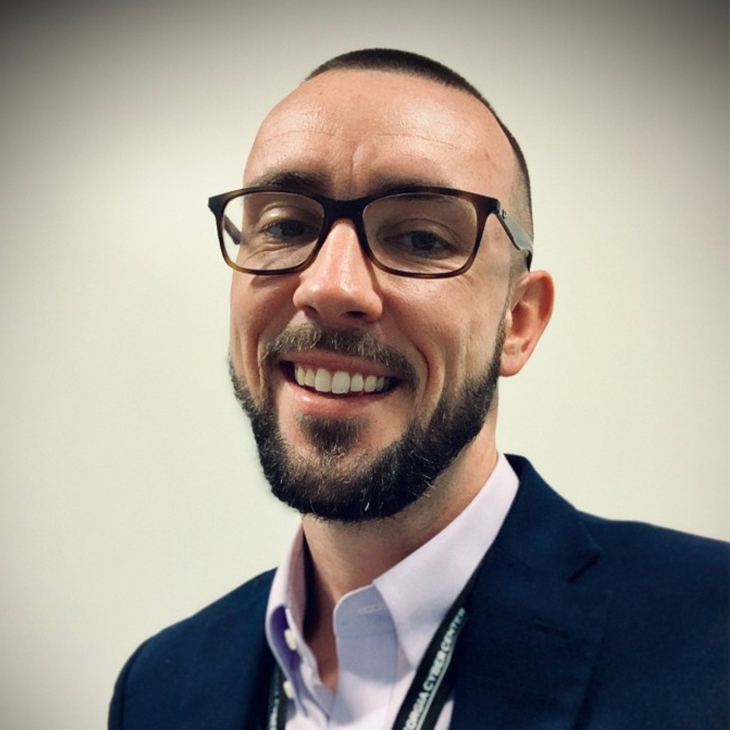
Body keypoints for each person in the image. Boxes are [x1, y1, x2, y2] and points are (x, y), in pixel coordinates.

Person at [109, 48, 728, 730]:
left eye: (422, 239)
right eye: (285, 226)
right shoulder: (159, 689)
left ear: (519, 323)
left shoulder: (712, 634)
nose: (330, 286)